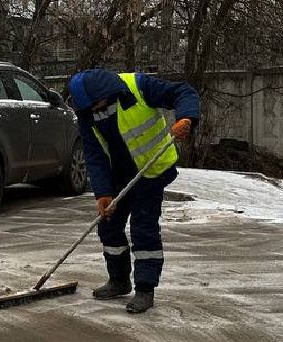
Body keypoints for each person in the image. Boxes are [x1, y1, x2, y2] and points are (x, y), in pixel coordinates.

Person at [67, 68, 201, 314]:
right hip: (118, 176)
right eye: (90, 108)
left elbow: (183, 91)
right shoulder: (87, 114)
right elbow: (94, 155)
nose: (96, 110)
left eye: (97, 104)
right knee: (108, 226)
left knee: (143, 228)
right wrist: (103, 193)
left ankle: (145, 289)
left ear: (105, 92)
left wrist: (186, 118)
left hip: (151, 172)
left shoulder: (139, 87)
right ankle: (119, 280)